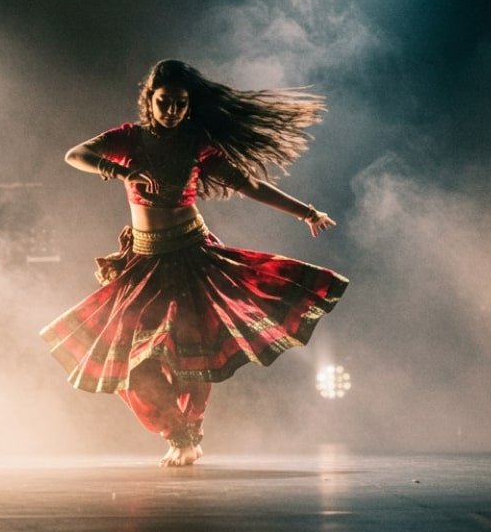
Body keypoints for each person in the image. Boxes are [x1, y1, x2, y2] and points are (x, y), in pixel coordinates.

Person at [40, 59, 348, 466]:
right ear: (149, 100)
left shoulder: (195, 144)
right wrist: (118, 172)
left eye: (180, 104)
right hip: (145, 264)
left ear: (189, 107)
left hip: (191, 258)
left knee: (191, 356)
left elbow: (250, 184)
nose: (172, 111)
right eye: (164, 102)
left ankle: (189, 436)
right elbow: (75, 154)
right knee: (134, 367)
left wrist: (305, 212)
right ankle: (178, 431)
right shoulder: (130, 139)